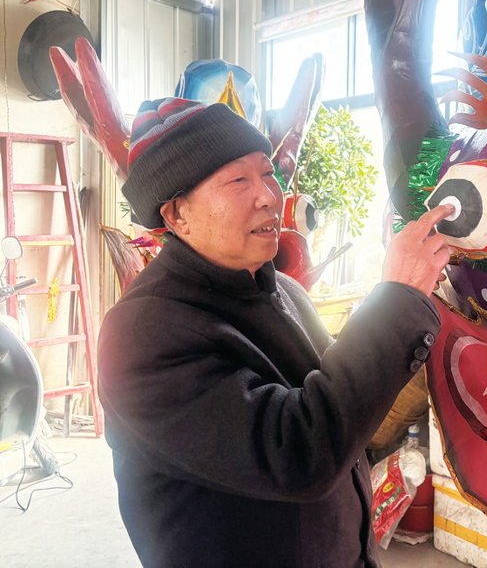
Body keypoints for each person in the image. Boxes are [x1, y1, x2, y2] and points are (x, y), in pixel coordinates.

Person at [98, 97, 455, 568]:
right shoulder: (143, 334)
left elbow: (338, 402)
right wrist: (397, 304)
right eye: (238, 181)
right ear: (177, 215)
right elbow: (300, 453)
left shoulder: (283, 288)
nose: (269, 196)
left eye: (267, 173)